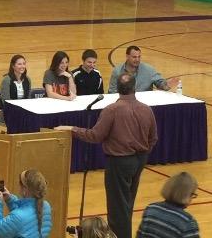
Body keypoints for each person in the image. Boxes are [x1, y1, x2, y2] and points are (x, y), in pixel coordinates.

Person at [55, 73, 157, 238]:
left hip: (119, 161)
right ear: (134, 87)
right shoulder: (146, 109)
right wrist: (142, 155)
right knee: (127, 203)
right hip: (139, 160)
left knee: (118, 208)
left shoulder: (112, 110)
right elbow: (153, 138)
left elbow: (95, 136)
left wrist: (72, 129)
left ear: (117, 88)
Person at [0, 169, 52, 238]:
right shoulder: (46, 206)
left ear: (25, 189)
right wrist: (10, 199)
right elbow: (24, 221)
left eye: (20, 183)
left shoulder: (18, 217)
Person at [136, 172, 200, 238]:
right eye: (192, 195)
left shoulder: (151, 208)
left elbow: (140, 235)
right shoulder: (187, 222)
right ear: (186, 195)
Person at [108, 46, 179, 93]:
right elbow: (112, 92)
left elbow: (160, 84)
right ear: (127, 56)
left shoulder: (149, 70)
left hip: (145, 105)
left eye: (139, 57)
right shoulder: (117, 71)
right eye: (134, 57)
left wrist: (167, 85)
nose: (137, 59)